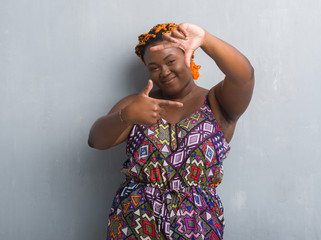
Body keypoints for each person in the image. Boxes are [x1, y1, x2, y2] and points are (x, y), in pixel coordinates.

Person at [88, 22, 254, 240]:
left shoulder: (216, 102)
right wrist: (127, 115)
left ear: (189, 56)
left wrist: (206, 39)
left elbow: (244, 76)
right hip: (135, 221)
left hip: (198, 224)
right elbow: (96, 140)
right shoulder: (138, 105)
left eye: (170, 61)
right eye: (154, 68)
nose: (164, 72)